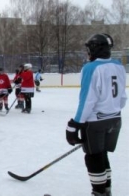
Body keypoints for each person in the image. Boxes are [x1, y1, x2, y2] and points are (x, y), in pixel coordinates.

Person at [65, 33, 127, 196]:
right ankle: (106, 190)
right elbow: (122, 99)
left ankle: (99, 192)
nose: (88, 52)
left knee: (93, 157)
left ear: (95, 49)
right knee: (102, 154)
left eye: (89, 48)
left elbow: (88, 99)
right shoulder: (119, 66)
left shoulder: (91, 68)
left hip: (95, 123)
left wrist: (75, 124)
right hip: (115, 120)